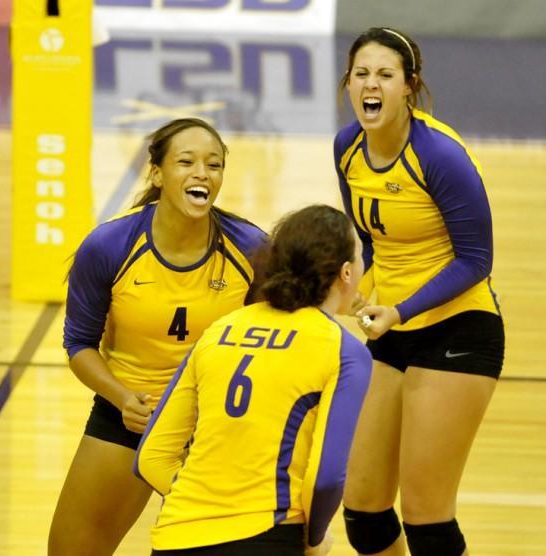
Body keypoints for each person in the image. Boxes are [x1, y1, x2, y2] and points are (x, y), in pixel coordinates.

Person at [48, 118, 268, 555]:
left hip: (217, 426)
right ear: (157, 173)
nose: (202, 173)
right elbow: (79, 346)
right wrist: (122, 397)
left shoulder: (253, 249)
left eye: (214, 164)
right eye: (186, 162)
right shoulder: (109, 245)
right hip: (131, 414)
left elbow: (276, 337)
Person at [333, 27, 505, 556]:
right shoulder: (347, 148)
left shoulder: (439, 155)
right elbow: (365, 236)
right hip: (389, 328)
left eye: (385, 75)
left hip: (458, 332)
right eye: (361, 74)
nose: (371, 85)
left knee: (427, 519)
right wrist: (352, 290)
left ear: (409, 86)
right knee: (363, 512)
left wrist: (401, 308)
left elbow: (476, 260)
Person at [134, 204, 372, 555]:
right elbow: (326, 477)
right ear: (347, 272)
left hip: (176, 536)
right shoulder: (343, 351)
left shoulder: (220, 329)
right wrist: (315, 537)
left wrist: (205, 505)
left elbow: (150, 458)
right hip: (268, 534)